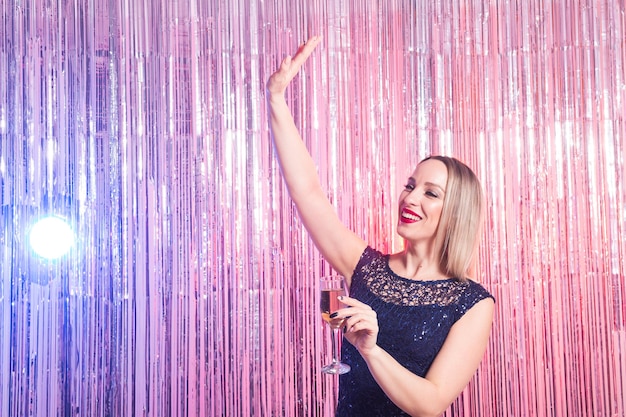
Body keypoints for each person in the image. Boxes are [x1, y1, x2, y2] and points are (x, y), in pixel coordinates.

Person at [266, 35, 495, 417]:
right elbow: (307, 193)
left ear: (456, 213)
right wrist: (275, 100)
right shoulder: (366, 267)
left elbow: (431, 402)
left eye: (430, 193)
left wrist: (370, 349)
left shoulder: (472, 302)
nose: (410, 198)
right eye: (410, 185)